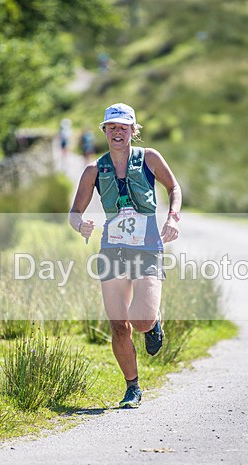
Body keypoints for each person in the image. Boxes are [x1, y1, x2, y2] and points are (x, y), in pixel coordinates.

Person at [69, 103, 182, 409]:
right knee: (119, 325)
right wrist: (81, 225)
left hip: (146, 248)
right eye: (112, 128)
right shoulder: (94, 169)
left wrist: (172, 218)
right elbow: (74, 212)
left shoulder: (149, 158)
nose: (117, 133)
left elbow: (174, 188)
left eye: (123, 127)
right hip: (113, 251)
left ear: (134, 130)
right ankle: (132, 388)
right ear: (104, 131)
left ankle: (153, 323)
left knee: (141, 320)